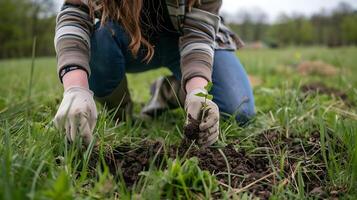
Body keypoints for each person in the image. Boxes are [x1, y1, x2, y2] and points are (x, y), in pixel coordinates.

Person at [53, 0, 255, 147]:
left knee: (238, 110)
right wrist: (75, 89)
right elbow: (75, 15)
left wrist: (198, 92)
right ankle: (120, 112)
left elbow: (199, 35)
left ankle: (171, 91)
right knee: (99, 40)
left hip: (186, 36)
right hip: (125, 35)